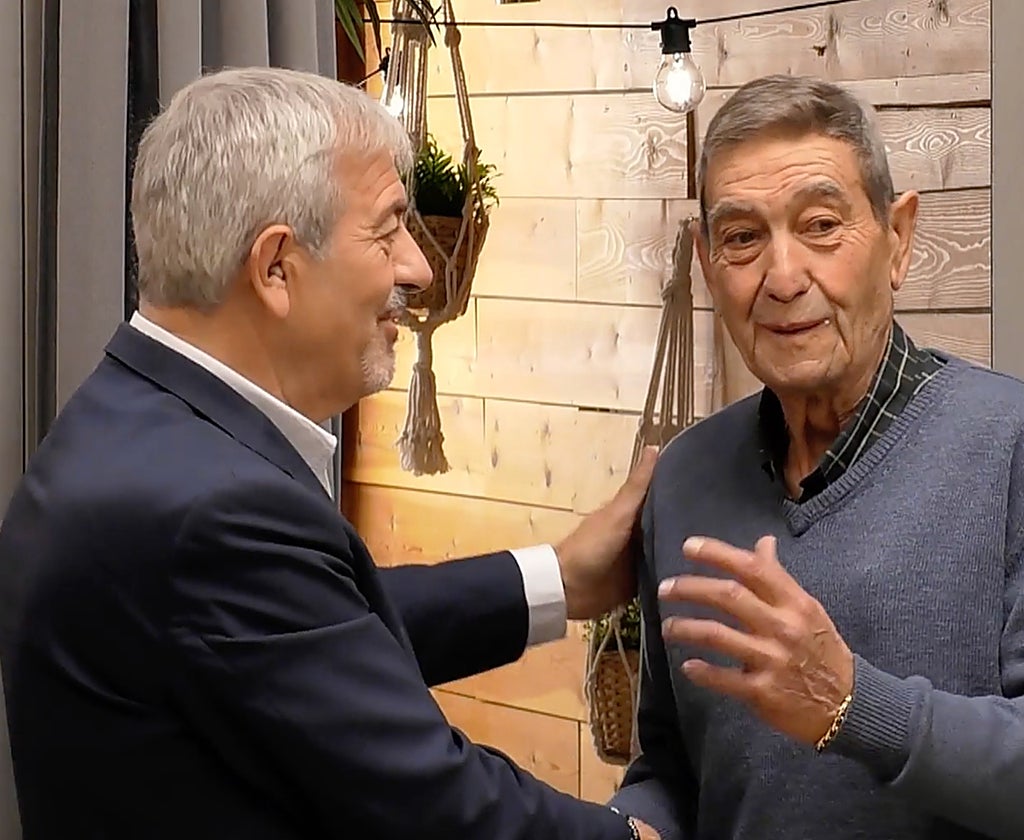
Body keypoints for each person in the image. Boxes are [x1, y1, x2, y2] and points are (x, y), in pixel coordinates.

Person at [0, 66, 660, 840]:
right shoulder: (212, 511)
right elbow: (435, 803)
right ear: (276, 266)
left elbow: (310, 631)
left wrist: (560, 581)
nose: (417, 268)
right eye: (387, 231)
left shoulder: (135, 420)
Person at [609, 74, 1024, 840]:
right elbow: (671, 769)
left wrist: (855, 708)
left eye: (821, 226)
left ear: (897, 241)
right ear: (707, 263)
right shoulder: (686, 479)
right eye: (742, 238)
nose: (783, 277)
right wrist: (630, 826)